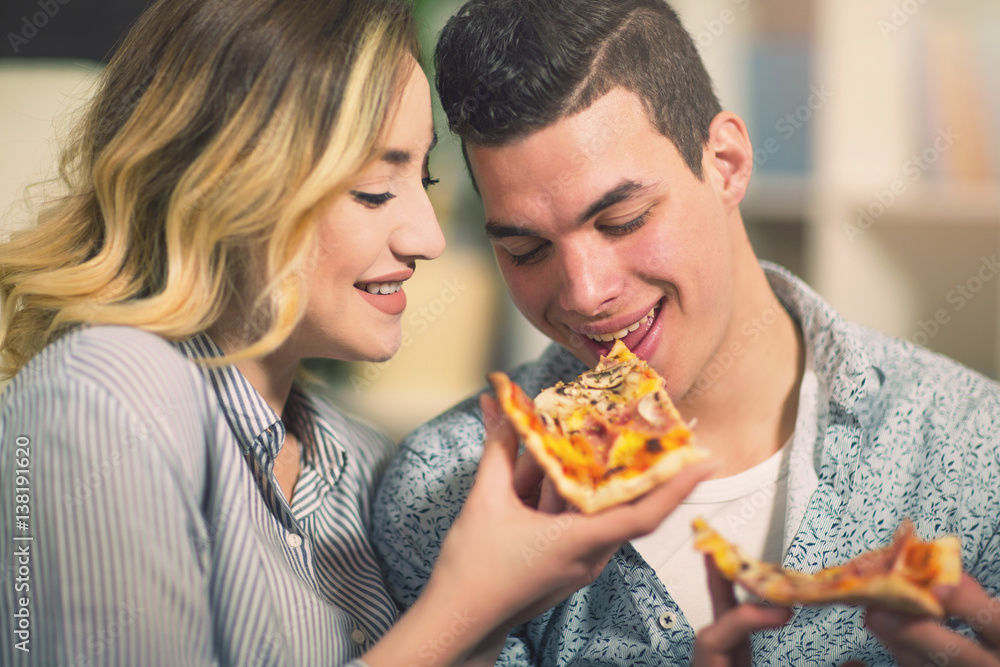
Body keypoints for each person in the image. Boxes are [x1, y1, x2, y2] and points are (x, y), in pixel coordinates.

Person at [0, 0, 716, 665]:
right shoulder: (102, 397)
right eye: (375, 188)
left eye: (425, 180)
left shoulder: (363, 461)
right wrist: (467, 607)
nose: (428, 237)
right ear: (228, 185)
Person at [372, 0, 1000, 664]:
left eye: (623, 220)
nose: (585, 293)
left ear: (725, 161)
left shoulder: (977, 446)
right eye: (527, 250)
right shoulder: (441, 492)